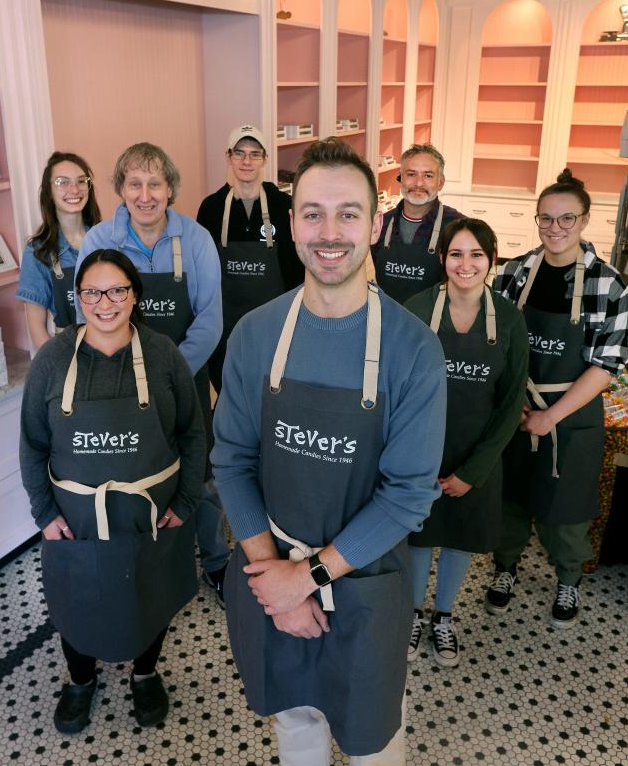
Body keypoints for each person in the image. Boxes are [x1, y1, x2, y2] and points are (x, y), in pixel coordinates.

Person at [212, 137, 446, 764]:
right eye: (312, 212)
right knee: (297, 725)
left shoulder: (413, 349)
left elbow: (407, 497)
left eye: (348, 213)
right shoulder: (256, 335)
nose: (329, 231)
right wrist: (272, 580)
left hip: (368, 587)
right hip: (273, 574)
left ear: (375, 223)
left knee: (374, 740)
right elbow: (231, 461)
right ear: (291, 224)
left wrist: (307, 579)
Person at [19, 248, 205, 734]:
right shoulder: (53, 359)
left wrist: (185, 502)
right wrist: (43, 512)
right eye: (92, 292)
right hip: (77, 519)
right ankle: (80, 681)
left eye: (117, 290)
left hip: (150, 515)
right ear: (77, 299)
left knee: (150, 594)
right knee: (78, 601)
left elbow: (193, 433)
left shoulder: (163, 354)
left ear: (134, 295)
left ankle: (145, 675)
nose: (105, 302)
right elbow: (32, 442)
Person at [78, 143, 229, 602]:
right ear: (121, 189)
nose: (145, 195)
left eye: (155, 183)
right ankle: (150, 565)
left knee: (200, 476)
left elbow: (210, 318)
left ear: (170, 190)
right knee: (137, 473)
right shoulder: (99, 241)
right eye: (135, 183)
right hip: (120, 386)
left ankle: (217, 560)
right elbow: (88, 310)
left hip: (186, 379)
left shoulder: (196, 239)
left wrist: (171, 373)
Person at [490, 169, 628, 628]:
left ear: (585, 220)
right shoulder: (513, 273)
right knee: (510, 496)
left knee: (565, 505)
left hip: (571, 414)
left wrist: (551, 416)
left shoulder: (608, 285)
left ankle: (568, 576)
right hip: (515, 408)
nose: (555, 229)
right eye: (546, 220)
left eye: (566, 219)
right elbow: (494, 342)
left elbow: (606, 366)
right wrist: (514, 407)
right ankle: (505, 568)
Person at [402, 218, 528, 667]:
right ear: (442, 259)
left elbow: (511, 404)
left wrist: (473, 472)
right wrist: (410, 462)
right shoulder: (416, 310)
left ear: (492, 262)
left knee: (458, 537)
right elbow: (395, 389)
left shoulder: (510, 321)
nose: (466, 264)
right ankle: (413, 613)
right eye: (456, 253)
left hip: (478, 456)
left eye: (477, 255)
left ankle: (444, 617)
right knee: (418, 535)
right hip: (419, 452)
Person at [196, 124, 302, 393]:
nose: (246, 161)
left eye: (255, 154)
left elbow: (296, 269)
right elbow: (202, 273)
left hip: (273, 325)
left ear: (265, 159)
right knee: (229, 391)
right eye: (239, 153)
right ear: (228, 157)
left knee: (270, 392)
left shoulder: (283, 205)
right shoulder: (211, 208)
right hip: (224, 328)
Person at [16, 152, 100, 349]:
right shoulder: (38, 252)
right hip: (70, 354)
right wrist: (59, 370)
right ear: (48, 192)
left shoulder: (106, 239)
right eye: (62, 182)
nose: (74, 189)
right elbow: (37, 329)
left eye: (81, 181)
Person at [370, 144, 462, 304]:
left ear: (440, 182)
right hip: (386, 321)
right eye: (411, 174)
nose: (419, 183)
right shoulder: (380, 224)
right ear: (400, 178)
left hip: (432, 325)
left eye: (428, 176)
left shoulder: (458, 227)